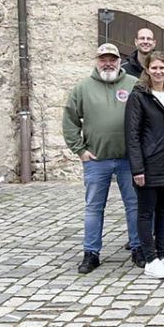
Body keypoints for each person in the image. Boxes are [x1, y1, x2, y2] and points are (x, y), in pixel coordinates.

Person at [62, 43, 141, 273]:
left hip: (129, 160)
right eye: (103, 59)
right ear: (97, 61)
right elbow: (70, 120)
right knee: (94, 207)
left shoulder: (134, 84)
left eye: (112, 59)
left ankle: (138, 248)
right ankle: (91, 253)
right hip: (96, 160)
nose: (108, 63)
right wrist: (80, 149)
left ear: (119, 61)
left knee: (134, 205)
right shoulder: (83, 88)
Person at [125, 51, 164, 280]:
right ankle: (150, 259)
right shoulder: (139, 96)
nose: (158, 72)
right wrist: (137, 168)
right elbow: (132, 135)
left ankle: (162, 254)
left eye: (162, 68)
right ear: (147, 70)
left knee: (163, 211)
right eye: (154, 68)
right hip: (149, 164)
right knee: (146, 212)